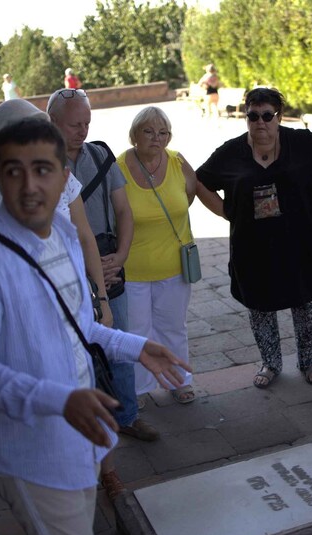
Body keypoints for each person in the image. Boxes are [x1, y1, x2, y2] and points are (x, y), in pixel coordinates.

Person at [0, 117, 188, 535]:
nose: (29, 184)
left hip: (79, 437)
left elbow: (82, 326)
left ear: (64, 178)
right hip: (29, 450)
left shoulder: (62, 235)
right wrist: (60, 399)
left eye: (42, 169)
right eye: (13, 170)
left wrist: (135, 346)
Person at [47, 87, 158, 499]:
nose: (83, 130)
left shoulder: (100, 156)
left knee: (121, 343)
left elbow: (124, 211)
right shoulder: (42, 165)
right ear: (53, 123)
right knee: (80, 357)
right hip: (67, 274)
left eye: (87, 122)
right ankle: (88, 427)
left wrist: (122, 255)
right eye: (75, 124)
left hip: (109, 262)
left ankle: (126, 414)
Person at [195, 88, 312, 387]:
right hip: (253, 246)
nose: (260, 122)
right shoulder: (231, 152)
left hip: (300, 242)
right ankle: (270, 363)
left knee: (305, 303)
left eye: (267, 116)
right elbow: (200, 182)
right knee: (259, 306)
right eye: (253, 116)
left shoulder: (302, 143)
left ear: (279, 116)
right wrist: (226, 211)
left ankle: (308, 360)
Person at [0, 98, 113, 329]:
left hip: (71, 306)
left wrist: (102, 302)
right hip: (13, 318)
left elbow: (85, 239)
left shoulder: (61, 178)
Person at [117, 107, 198, 404]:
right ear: (134, 135)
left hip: (174, 265)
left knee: (173, 327)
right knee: (137, 333)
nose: (157, 138)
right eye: (149, 131)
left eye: (163, 132)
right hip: (133, 268)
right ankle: (139, 389)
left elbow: (188, 195)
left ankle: (179, 381)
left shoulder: (177, 161)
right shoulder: (119, 166)